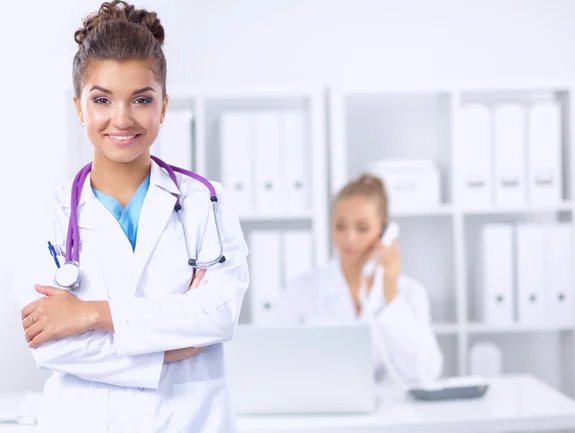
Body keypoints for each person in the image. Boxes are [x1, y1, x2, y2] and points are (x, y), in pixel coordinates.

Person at [11, 1, 249, 432]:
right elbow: (48, 346)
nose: (121, 119)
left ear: (163, 106)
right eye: (102, 99)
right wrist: (171, 346)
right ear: (80, 106)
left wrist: (91, 315)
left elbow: (218, 315)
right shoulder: (51, 213)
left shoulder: (206, 203)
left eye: (141, 99)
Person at [269, 174, 442, 385]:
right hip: (325, 410)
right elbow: (275, 364)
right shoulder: (301, 289)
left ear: (383, 232)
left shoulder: (409, 292)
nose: (349, 238)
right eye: (340, 227)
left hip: (392, 413)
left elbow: (427, 372)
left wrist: (390, 295)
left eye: (362, 229)